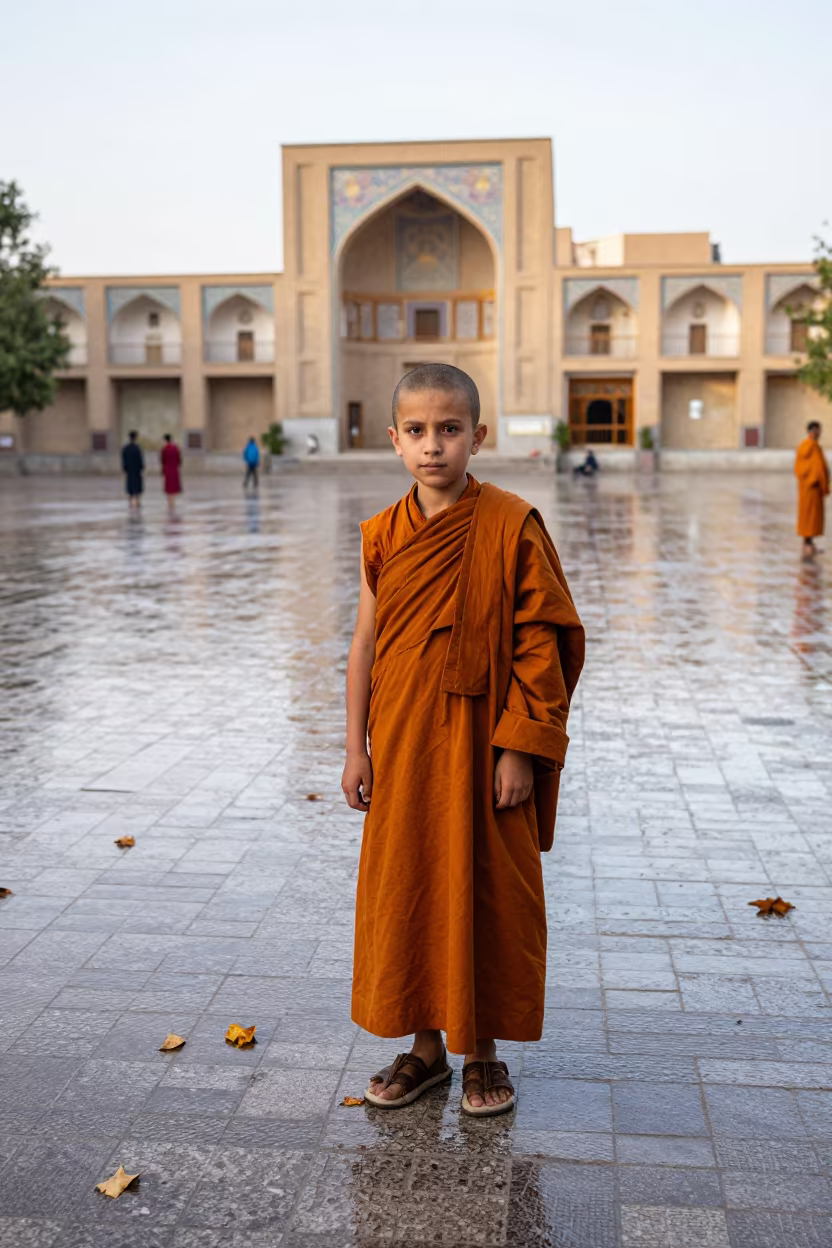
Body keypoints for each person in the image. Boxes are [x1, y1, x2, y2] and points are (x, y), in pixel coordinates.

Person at [341, 364, 585, 1118]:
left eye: (450, 430)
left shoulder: (512, 523)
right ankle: (424, 1046)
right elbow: (365, 641)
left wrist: (520, 746)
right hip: (407, 743)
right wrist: (356, 746)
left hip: (485, 746)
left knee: (487, 883)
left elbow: (540, 644)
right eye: (416, 431)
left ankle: (481, 1048)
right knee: (410, 882)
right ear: (394, 440)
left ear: (479, 435)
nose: (433, 446)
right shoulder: (384, 534)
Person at [795, 421, 829, 557]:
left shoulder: (808, 446)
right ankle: (807, 542)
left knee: (812, 515)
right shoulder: (809, 446)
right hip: (811, 486)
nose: (820, 433)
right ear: (813, 431)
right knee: (808, 515)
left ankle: (810, 542)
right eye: (818, 430)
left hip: (810, 488)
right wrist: (815, 478)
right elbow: (805, 467)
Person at [121, 430, 144, 509]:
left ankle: (130, 501)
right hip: (136, 470)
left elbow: (123, 459)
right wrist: (141, 467)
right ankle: (137, 501)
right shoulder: (137, 448)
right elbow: (140, 460)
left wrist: (125, 468)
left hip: (129, 470)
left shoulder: (126, 448)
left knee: (130, 484)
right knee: (137, 485)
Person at [160, 433, 182, 512]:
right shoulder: (175, 448)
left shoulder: (164, 449)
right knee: (174, 486)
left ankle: (169, 502)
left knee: (169, 487)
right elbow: (179, 459)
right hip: (174, 469)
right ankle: (173, 502)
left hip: (167, 469)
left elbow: (162, 460)